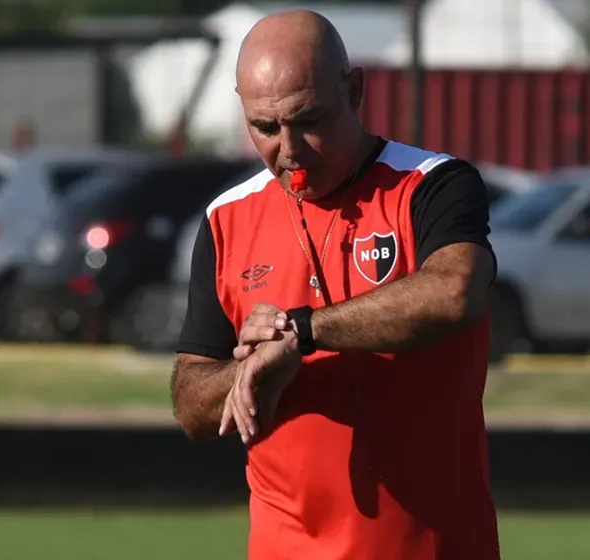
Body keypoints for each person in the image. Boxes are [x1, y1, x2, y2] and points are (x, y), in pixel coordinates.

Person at [170, 9, 501, 560]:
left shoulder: (432, 184)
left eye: (308, 120)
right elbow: (191, 404)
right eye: (266, 128)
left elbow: (455, 291)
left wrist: (299, 332)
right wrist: (247, 371)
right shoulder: (226, 219)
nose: (289, 149)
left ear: (354, 90)